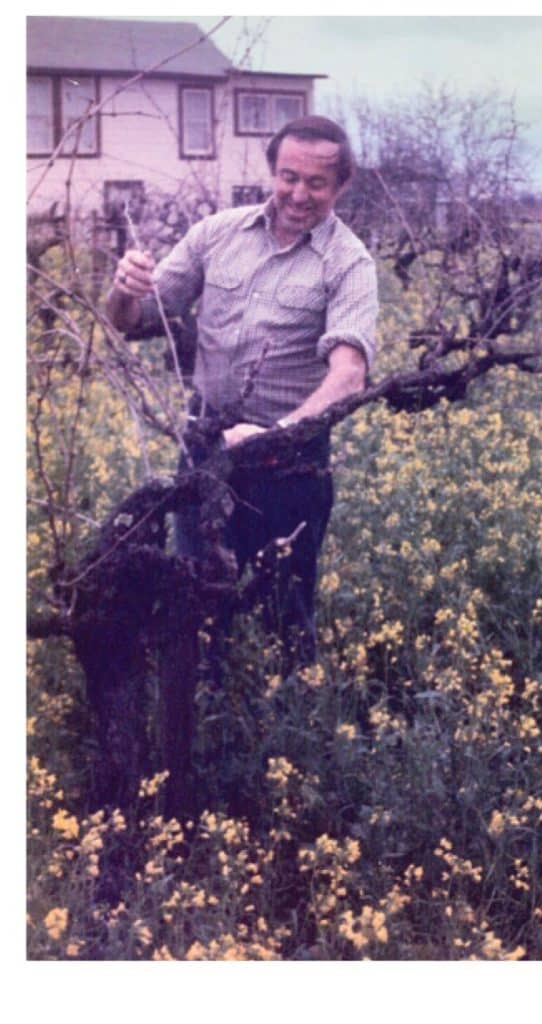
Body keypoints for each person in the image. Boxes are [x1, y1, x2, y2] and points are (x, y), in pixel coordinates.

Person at [107, 115, 378, 670]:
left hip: (291, 458)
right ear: (273, 172)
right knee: (196, 595)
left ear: (342, 185)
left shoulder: (349, 263)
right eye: (288, 177)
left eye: (316, 183)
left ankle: (291, 727)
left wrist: (272, 435)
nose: (298, 194)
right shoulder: (218, 233)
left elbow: (349, 374)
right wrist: (123, 289)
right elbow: (134, 320)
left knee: (287, 605)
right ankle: (207, 723)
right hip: (205, 443)